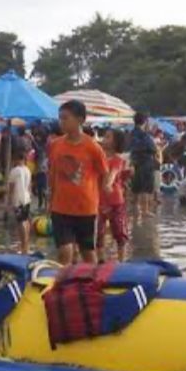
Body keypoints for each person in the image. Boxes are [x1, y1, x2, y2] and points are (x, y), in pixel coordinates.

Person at [48, 100, 110, 265]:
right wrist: (51, 198)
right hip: (60, 208)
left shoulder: (93, 147)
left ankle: (92, 284)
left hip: (86, 209)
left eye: (65, 118)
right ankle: (63, 285)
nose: (61, 122)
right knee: (64, 250)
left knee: (87, 252)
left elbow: (105, 173)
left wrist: (103, 201)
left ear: (80, 120)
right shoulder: (55, 145)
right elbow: (52, 173)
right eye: (60, 118)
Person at [97, 127, 129, 262]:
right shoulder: (98, 157)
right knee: (98, 233)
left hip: (115, 200)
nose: (104, 139)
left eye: (108, 137)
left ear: (116, 143)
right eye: (104, 136)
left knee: (119, 233)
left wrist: (108, 184)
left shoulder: (117, 159)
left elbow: (113, 173)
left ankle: (122, 261)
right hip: (98, 200)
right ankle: (101, 260)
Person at [128, 112, 159, 218]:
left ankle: (135, 209)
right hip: (145, 162)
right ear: (145, 122)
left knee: (136, 186)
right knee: (145, 187)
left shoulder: (132, 133)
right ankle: (145, 210)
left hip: (136, 161)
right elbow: (152, 148)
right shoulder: (143, 134)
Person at [6, 148, 32, 255]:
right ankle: (26, 245)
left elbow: (11, 188)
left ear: (16, 159)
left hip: (18, 199)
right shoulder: (27, 170)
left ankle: (24, 247)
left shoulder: (14, 171)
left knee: (20, 222)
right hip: (26, 198)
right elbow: (30, 186)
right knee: (25, 221)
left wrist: (8, 202)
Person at [32, 127, 49, 211]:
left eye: (38, 136)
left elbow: (39, 150)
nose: (37, 137)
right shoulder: (41, 144)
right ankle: (41, 205)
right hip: (40, 169)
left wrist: (32, 139)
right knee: (39, 189)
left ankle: (45, 206)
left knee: (43, 189)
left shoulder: (44, 145)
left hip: (43, 170)